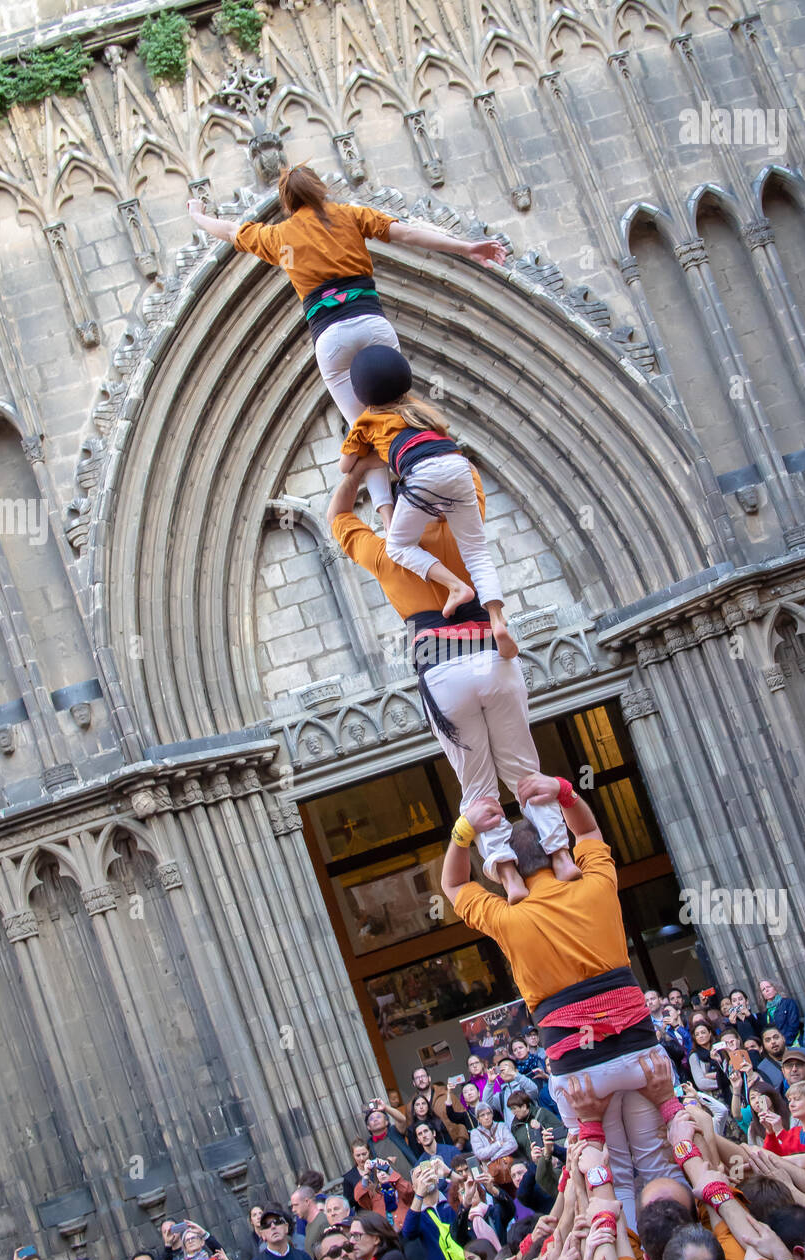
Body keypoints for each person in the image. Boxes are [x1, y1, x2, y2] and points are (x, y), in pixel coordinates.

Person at [188, 166, 505, 524]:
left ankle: (388, 519)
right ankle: (431, 480)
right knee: (402, 411)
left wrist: (198, 215)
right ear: (320, 190)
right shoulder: (349, 216)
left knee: (364, 430)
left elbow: (229, 230)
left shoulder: (280, 236)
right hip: (373, 325)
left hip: (332, 337)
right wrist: (466, 247)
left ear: (287, 202)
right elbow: (410, 234)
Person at [441, 771, 681, 1229]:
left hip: (579, 1071)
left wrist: (464, 830)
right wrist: (565, 792)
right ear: (557, 849)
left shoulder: (507, 917)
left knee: (613, 1180)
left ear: (504, 868)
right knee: (658, 1164)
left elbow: (453, 887)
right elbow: (589, 831)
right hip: (639, 1053)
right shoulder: (594, 884)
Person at [327, 466, 571, 901]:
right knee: (523, 770)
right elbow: (463, 474)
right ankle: (561, 854)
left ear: (393, 516)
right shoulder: (456, 528)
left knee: (476, 787)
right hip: (489, 653)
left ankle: (509, 876)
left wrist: (358, 472)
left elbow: (339, 519)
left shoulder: (384, 554)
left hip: (440, 667)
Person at [341, 344, 517, 657]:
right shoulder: (421, 411)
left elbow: (346, 466)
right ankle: (497, 618)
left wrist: (367, 463)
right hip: (457, 464)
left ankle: (456, 587)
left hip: (422, 475)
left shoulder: (367, 423)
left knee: (397, 547)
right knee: (476, 552)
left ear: (363, 395)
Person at [401, 1164, 468, 1260]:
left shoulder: (452, 1199)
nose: (424, 1177)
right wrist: (419, 1194)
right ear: (414, 1187)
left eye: (427, 1173)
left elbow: (470, 1188)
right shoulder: (418, 1215)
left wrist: (448, 1173)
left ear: (436, 1178)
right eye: (419, 1176)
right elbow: (408, 1233)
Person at [405, 1066, 468, 1146]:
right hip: (430, 1152)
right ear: (413, 1083)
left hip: (456, 1143)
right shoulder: (411, 1106)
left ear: (429, 1078)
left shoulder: (446, 1094)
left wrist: (461, 1141)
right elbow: (411, 1133)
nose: (421, 1079)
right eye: (417, 1078)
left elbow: (462, 1117)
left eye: (423, 1076)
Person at [364, 1100, 418, 1177]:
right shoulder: (369, 1144)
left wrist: (385, 1107)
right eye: (371, 1119)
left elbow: (402, 1120)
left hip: (414, 1178)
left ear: (386, 1121)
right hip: (391, 1186)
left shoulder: (394, 1131)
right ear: (368, 1127)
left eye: (378, 1117)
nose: (375, 1120)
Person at [506, 1090, 564, 1161]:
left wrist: (541, 1128)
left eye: (514, 1109)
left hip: (552, 1160)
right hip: (533, 1164)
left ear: (524, 1106)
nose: (513, 1112)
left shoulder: (542, 1113)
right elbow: (519, 1152)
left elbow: (561, 1133)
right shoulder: (515, 1126)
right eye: (511, 1109)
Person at [469, 1099, 518, 1183]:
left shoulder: (501, 1126)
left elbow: (513, 1144)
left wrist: (494, 1157)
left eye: (488, 1113)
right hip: (491, 1172)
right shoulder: (475, 1133)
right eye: (482, 1115)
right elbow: (480, 1154)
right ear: (478, 1119)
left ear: (492, 1114)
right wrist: (498, 1144)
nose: (486, 1117)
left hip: (510, 1166)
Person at [482, 1055, 540, 1119]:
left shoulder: (524, 1086)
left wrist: (515, 1075)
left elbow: (533, 1090)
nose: (506, 1071)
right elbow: (486, 1104)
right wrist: (490, 1083)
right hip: (513, 1128)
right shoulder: (501, 1095)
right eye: (502, 1070)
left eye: (508, 1068)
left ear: (516, 1070)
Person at [688, 1022, 731, 1103]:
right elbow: (701, 1083)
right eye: (697, 1034)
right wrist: (723, 1081)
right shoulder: (694, 1056)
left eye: (703, 1032)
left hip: (730, 1091)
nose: (700, 1036)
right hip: (712, 1098)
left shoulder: (720, 1051)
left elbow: (729, 1073)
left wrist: (711, 1076)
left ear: (710, 1033)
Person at [756, 979, 802, 1044]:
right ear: (762, 995)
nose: (766, 990)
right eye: (763, 989)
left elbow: (793, 1025)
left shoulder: (788, 1003)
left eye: (768, 987)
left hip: (792, 1042)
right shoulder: (765, 1014)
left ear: (775, 988)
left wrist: (784, 1042)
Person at [291, 1185, 330, 1260]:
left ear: (307, 1201)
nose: (293, 1210)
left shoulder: (323, 1222)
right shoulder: (309, 1226)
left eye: (296, 1205)